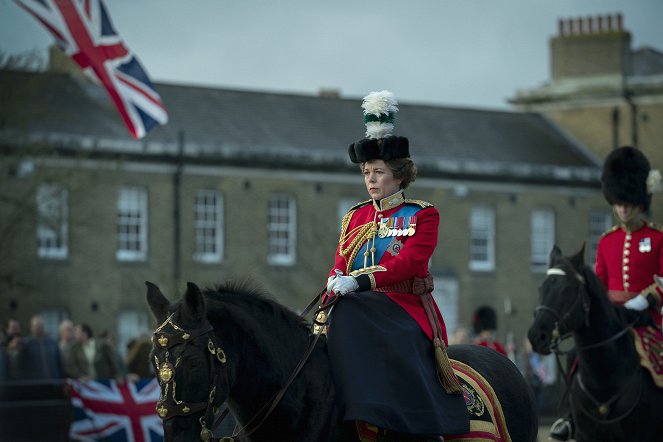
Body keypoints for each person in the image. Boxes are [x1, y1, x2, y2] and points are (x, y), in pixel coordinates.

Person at [323, 90, 468, 442]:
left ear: (399, 176)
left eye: (379, 172)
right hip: (356, 304)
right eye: (366, 172)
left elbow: (409, 263)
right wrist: (335, 281)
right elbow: (340, 262)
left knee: (367, 325)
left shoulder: (422, 214)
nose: (371, 179)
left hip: (405, 308)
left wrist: (358, 283)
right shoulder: (354, 216)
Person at [549, 145, 663, 441]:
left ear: (640, 201)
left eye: (628, 203)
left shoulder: (656, 238)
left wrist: (645, 299)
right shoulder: (608, 240)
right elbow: (598, 283)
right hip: (611, 318)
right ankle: (568, 418)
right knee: (578, 355)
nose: (623, 209)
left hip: (645, 322)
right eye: (619, 203)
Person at [15, 314, 64, 379]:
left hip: (53, 381)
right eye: (36, 326)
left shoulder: (52, 343)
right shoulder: (26, 344)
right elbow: (21, 365)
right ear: (31, 328)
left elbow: (59, 363)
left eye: (41, 326)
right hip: (34, 382)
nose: (39, 328)